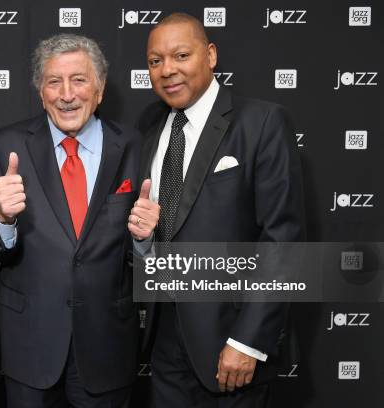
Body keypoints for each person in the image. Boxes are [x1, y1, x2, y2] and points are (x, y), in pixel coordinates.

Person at [130, 12, 305, 407]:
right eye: (155, 61)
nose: (167, 70)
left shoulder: (261, 122)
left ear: (210, 56)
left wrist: (248, 340)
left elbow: (283, 239)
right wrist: (143, 241)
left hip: (232, 341)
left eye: (180, 55)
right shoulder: (149, 128)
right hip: (163, 341)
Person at [0, 33, 142, 407]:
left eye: (79, 80)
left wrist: (146, 240)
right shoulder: (4, 146)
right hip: (29, 348)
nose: (66, 94)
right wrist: (2, 218)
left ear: (99, 90)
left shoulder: (133, 144)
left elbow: (141, 255)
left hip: (107, 347)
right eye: (54, 82)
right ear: (41, 93)